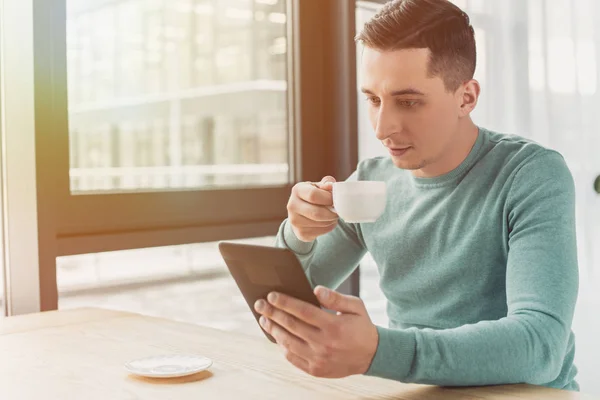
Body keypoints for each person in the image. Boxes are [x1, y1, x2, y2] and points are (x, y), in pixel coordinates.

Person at [253, 0, 579, 391]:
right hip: (417, 391)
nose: (382, 128)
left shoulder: (531, 174)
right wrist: (299, 234)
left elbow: (541, 346)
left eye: (408, 102)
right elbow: (283, 309)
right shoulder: (370, 181)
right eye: (373, 99)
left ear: (466, 97)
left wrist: (381, 352)